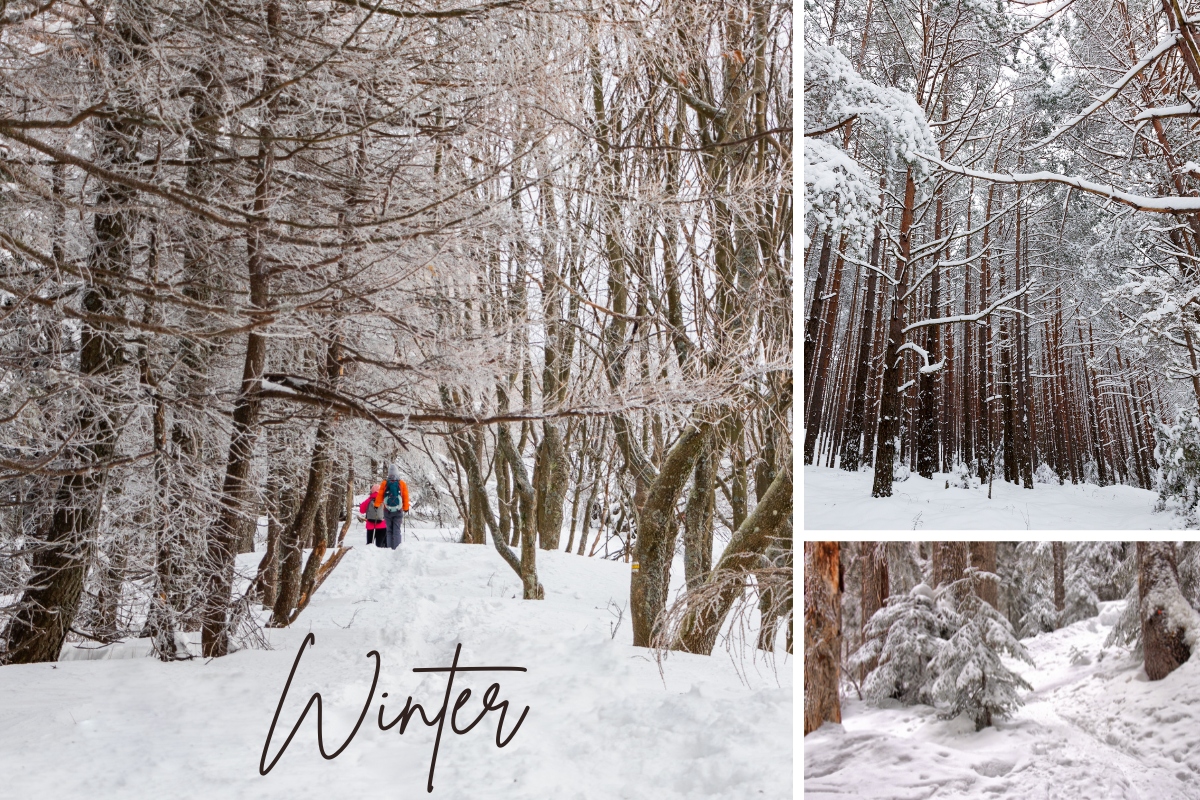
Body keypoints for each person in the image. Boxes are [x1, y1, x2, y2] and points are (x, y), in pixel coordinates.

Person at [374, 464, 409, 550]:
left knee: (389, 531)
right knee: (397, 531)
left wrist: (376, 505)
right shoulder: (402, 483)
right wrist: (405, 508)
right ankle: (397, 549)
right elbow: (405, 496)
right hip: (398, 511)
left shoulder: (385, 483)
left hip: (387, 511)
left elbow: (380, 495)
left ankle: (389, 548)